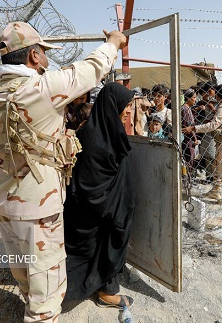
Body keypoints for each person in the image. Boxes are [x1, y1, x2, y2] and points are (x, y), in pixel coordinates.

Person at [0, 21, 126, 322]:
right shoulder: (39, 88)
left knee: (26, 275)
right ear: (32, 57)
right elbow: (92, 69)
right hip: (37, 206)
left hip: (4, 201)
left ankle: (33, 307)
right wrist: (114, 42)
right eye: (43, 52)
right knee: (47, 290)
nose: (47, 59)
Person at [64, 82, 135, 308]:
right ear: (112, 106)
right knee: (94, 247)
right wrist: (113, 208)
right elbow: (88, 184)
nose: (129, 111)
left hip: (108, 209)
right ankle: (104, 292)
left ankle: (103, 287)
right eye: (126, 106)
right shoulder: (92, 136)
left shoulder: (109, 129)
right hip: (95, 212)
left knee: (107, 243)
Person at [183, 84, 222, 205]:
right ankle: (216, 190)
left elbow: (213, 125)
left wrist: (194, 128)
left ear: (218, 95)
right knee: (216, 165)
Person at [181, 88, 198, 178]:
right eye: (194, 97)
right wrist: (195, 138)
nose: (195, 99)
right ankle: (187, 180)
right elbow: (188, 126)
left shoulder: (186, 108)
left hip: (187, 139)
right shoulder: (185, 109)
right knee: (189, 160)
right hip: (188, 139)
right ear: (188, 98)